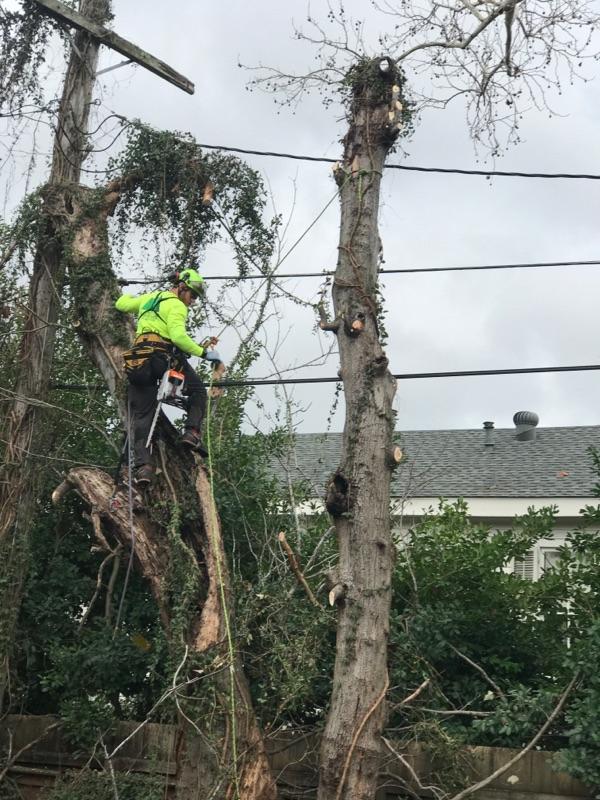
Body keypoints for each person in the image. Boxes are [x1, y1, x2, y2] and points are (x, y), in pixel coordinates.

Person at [115, 268, 221, 487]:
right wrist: (204, 353)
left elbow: (121, 304)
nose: (193, 301)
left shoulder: (149, 299)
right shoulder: (177, 306)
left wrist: (122, 289)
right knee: (198, 391)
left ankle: (144, 468)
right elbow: (178, 337)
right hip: (161, 358)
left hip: (138, 362)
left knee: (142, 415)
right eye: (192, 295)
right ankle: (191, 433)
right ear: (181, 288)